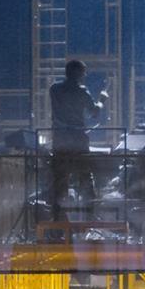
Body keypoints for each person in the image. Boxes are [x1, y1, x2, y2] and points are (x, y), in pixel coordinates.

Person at [49, 59, 107, 220]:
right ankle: (90, 216)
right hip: (78, 141)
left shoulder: (54, 89)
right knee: (84, 177)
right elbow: (94, 112)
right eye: (83, 72)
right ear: (78, 73)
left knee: (60, 180)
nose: (85, 75)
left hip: (60, 140)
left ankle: (59, 219)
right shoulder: (82, 91)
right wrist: (102, 100)